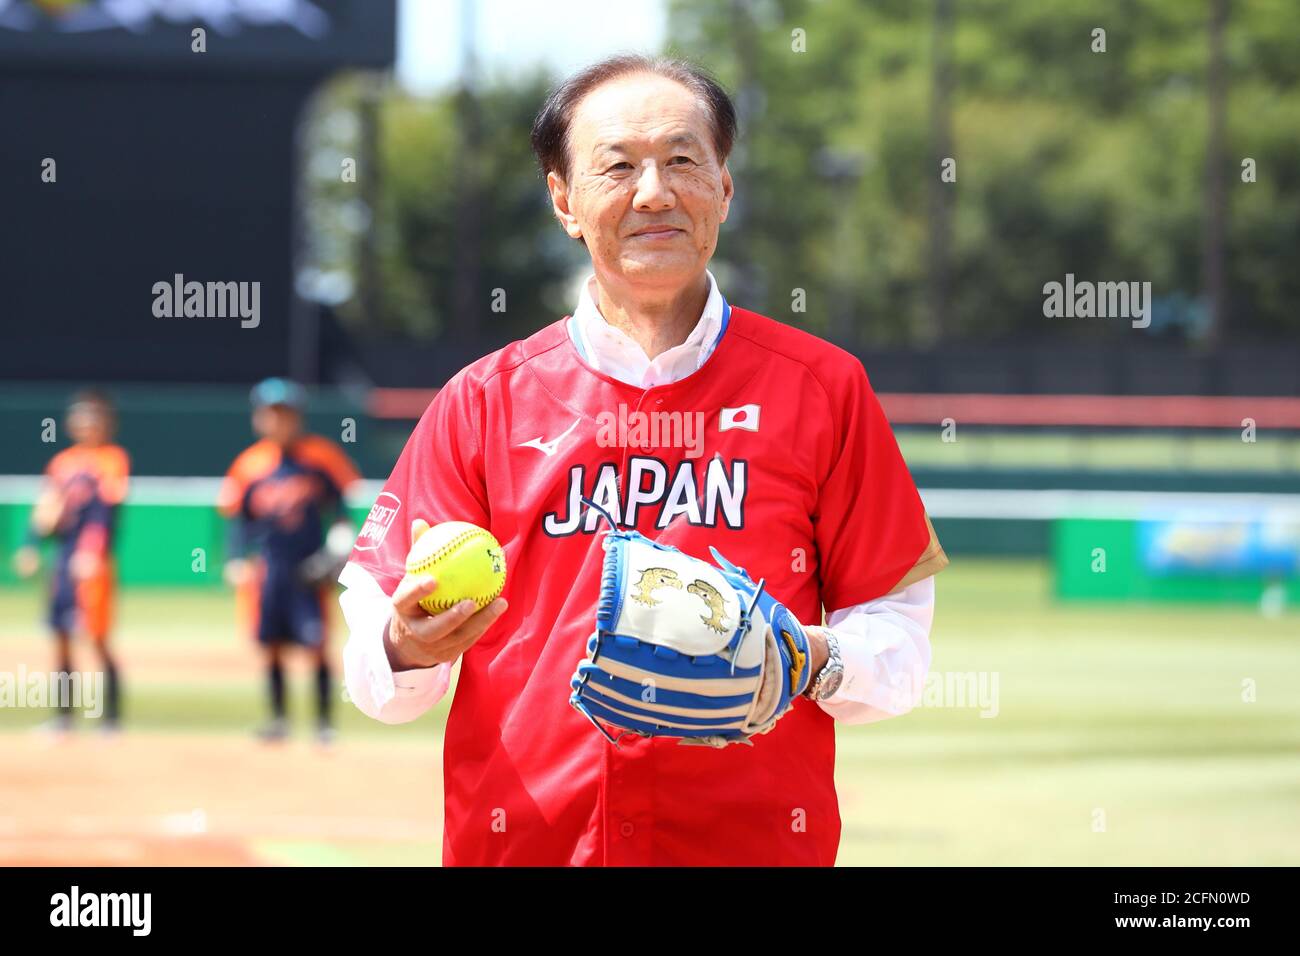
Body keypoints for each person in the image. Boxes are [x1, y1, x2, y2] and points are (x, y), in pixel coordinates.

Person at [340, 55, 948, 865]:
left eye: (684, 160)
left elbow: (901, 652)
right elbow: (379, 681)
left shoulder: (824, 390)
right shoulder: (482, 401)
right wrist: (407, 648)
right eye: (618, 166)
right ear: (565, 201)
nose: (654, 191)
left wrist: (802, 656)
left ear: (725, 189)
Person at [219, 378, 361, 744]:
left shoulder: (320, 457)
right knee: (271, 645)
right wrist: (236, 558)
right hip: (269, 570)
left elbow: (342, 509)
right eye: (271, 414)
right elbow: (238, 519)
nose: (278, 422)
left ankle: (324, 724)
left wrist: (337, 549)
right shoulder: (249, 465)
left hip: (308, 568)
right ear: (259, 419)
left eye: (285, 414)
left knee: (315, 645)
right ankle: (279, 720)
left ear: (298, 417)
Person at [13, 389, 130, 734]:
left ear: (108, 423)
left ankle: (111, 719)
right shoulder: (62, 464)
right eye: (81, 416)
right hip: (63, 560)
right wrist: (31, 545)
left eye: (94, 416)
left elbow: (104, 513)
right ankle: (63, 717)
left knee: (96, 637)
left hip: (92, 562)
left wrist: (92, 552)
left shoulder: (113, 460)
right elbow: (46, 509)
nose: (87, 423)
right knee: (61, 634)